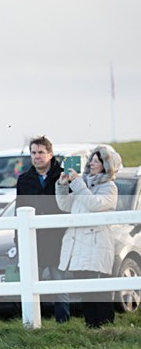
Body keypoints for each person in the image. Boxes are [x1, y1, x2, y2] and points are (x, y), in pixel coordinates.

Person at [56, 145, 120, 328]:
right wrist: (62, 185)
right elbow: (65, 206)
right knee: (84, 287)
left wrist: (77, 183)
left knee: (99, 288)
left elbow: (93, 204)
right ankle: (90, 325)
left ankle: (105, 326)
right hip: (79, 244)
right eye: (92, 158)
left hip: (96, 243)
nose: (92, 162)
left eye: (97, 160)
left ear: (106, 165)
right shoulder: (82, 183)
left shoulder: (109, 187)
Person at [15, 136, 69, 323]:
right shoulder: (24, 180)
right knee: (30, 283)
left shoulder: (62, 175)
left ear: (50, 154)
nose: (37, 157)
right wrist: (18, 241)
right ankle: (31, 322)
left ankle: (63, 323)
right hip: (33, 240)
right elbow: (18, 210)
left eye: (40, 152)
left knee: (59, 282)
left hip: (58, 238)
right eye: (33, 153)